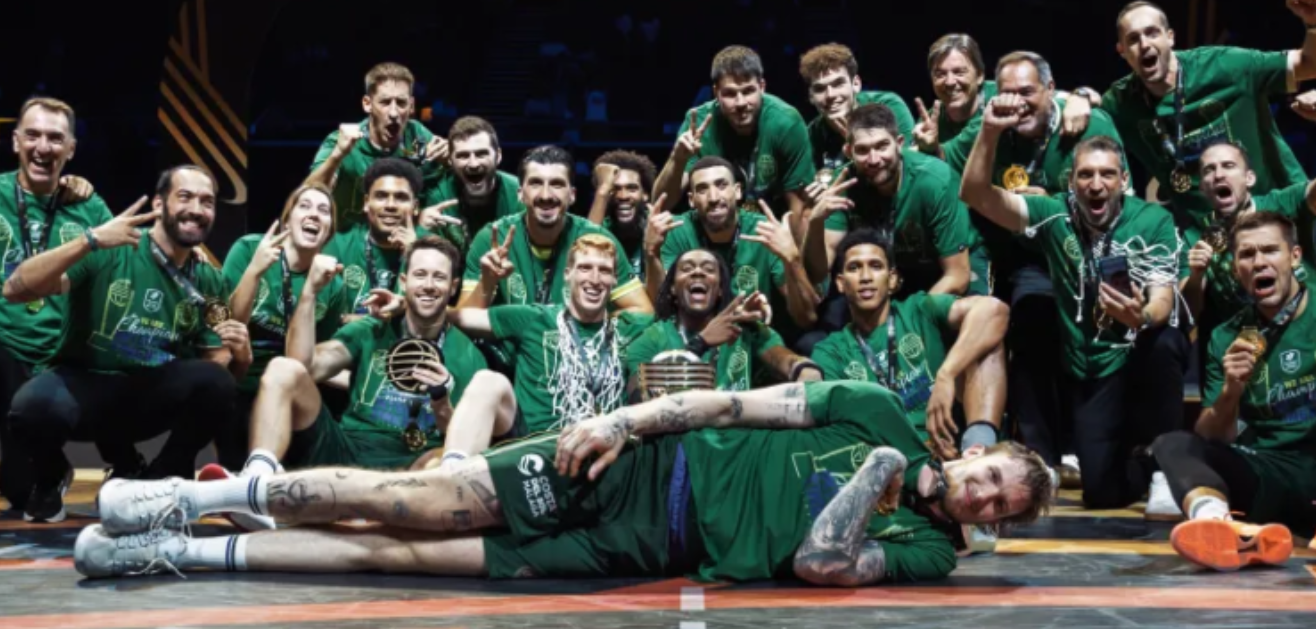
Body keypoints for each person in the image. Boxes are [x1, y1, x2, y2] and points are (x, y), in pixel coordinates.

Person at [74, 380, 1055, 586]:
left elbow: (819, 561)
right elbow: (728, 402)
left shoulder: (927, 551)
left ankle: (176, 552)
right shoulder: (875, 410)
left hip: (645, 545)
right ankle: (185, 497)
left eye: (997, 505)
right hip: (644, 466)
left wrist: (880, 480)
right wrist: (622, 420)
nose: (981, 495)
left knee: (401, 555)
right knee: (412, 497)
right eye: (990, 475)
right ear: (982, 450)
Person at [961, 99, 1191, 511]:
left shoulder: (1152, 220)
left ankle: (1164, 471)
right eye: (1085, 174)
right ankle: (1139, 462)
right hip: (1093, 368)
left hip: (1138, 355)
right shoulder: (1053, 215)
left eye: (1107, 174)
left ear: (1124, 180)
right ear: (1071, 182)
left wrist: (1140, 316)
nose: (1095, 184)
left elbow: (1162, 298)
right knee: (1101, 495)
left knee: (1165, 341)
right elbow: (976, 194)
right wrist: (990, 132)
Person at [2, 165, 245, 523]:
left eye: (207, 201)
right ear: (159, 204)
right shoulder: (111, 248)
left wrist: (242, 357)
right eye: (185, 197)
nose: (196, 209)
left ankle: (156, 480)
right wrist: (89, 240)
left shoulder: (210, 279)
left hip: (146, 396)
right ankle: (51, 476)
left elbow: (217, 364)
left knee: (217, 383)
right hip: (85, 388)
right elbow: (14, 288)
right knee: (31, 408)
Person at [215, 237, 497, 528]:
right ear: (404, 281)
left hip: (410, 467)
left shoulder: (468, 355)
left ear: (453, 286)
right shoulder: (371, 330)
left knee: (443, 464)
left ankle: (378, 518)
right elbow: (303, 366)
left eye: (439, 277)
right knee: (282, 368)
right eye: (420, 274)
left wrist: (441, 402)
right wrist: (310, 292)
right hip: (346, 450)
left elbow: (463, 444)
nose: (428, 285)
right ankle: (255, 485)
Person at [1154, 211, 1315, 571]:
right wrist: (1231, 390)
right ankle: (1220, 527)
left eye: (1270, 250)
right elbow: (1213, 436)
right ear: (1235, 269)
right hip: (1270, 469)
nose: (1258, 262)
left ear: (1294, 257)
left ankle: (1279, 533)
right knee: (1172, 444)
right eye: (1247, 254)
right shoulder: (1226, 336)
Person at [1087, 1, 1316, 241]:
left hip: (1284, 216)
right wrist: (1080, 96)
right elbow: (1083, 116)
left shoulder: (1225, 66)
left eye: (1152, 33)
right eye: (1133, 39)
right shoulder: (1121, 103)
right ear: (1122, 50)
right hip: (1213, 241)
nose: (1144, 45)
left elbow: (1308, 64)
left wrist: (1313, 22)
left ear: (1170, 37)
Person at [811, 228, 1008, 461]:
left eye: (876, 266)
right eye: (854, 268)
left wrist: (946, 374)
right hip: (885, 458)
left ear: (892, 279)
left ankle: (978, 453)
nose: (865, 277)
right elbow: (840, 425)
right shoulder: (830, 351)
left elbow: (993, 310)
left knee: (986, 340)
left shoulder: (918, 309)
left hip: (948, 442)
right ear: (841, 283)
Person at [0, 97, 109, 510]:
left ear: (71, 149)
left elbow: (118, 273)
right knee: (19, 490)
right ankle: (46, 470)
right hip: (6, 350)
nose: (42, 147)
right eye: (32, 135)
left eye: (55, 138)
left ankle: (121, 463)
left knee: (21, 491)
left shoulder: (89, 207)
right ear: (15, 141)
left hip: (64, 360)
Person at [450, 234, 653, 434]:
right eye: (584, 268)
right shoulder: (534, 318)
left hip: (607, 444)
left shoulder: (630, 327)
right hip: (539, 447)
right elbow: (457, 317)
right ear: (567, 274)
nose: (595, 279)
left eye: (605, 270)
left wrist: (652, 254)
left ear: (615, 279)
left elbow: (668, 316)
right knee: (487, 382)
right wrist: (487, 282)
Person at [217, 184, 350, 470]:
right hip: (239, 382)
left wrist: (311, 289)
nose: (314, 214)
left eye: (323, 210)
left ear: (328, 232)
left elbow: (310, 361)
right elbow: (228, 326)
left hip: (287, 392)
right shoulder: (250, 248)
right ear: (287, 220)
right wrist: (255, 271)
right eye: (305, 206)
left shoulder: (333, 285)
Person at [803, 104, 987, 299]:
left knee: (973, 310)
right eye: (862, 150)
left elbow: (957, 276)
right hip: (889, 270)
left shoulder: (936, 180)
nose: (874, 159)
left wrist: (906, 316)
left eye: (882, 146)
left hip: (950, 264)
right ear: (848, 152)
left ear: (899, 143)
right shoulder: (842, 185)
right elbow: (818, 273)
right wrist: (815, 221)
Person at [458, 145, 651, 314]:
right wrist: (487, 283)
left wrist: (594, 324)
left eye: (557, 184)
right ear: (520, 194)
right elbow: (462, 321)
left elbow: (643, 311)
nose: (546, 195)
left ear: (572, 195)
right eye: (536, 183)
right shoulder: (492, 239)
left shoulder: (598, 239)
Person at [646, 157, 819, 340]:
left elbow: (807, 318)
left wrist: (792, 259)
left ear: (737, 191)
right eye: (702, 189)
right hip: (696, 336)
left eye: (721, 185)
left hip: (753, 338)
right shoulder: (676, 230)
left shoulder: (765, 231)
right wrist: (651, 252)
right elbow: (662, 306)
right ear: (691, 200)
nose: (713, 198)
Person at [652, 45, 815, 223]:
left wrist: (788, 242)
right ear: (716, 92)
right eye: (730, 93)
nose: (740, 103)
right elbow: (660, 205)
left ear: (762, 87)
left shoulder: (786, 122)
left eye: (748, 91)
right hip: (713, 227)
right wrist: (677, 159)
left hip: (771, 227)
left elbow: (799, 209)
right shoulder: (698, 124)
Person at [626, 248, 820, 392]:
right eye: (687, 268)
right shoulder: (650, 340)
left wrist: (804, 369)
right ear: (672, 289)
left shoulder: (744, 330)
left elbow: (785, 360)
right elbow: (638, 396)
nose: (698, 272)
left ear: (720, 290)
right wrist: (700, 344)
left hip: (736, 434)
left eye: (709, 269)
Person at [1183, 140, 1316, 327]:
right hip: (1248, 335)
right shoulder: (1195, 236)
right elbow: (1187, 313)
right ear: (1203, 188)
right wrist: (1196, 276)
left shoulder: (1280, 203)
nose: (1218, 175)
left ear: (1249, 178)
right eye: (1209, 170)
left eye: (1228, 166)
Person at [306, 62, 446, 233]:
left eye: (401, 103)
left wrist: (449, 160)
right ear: (367, 104)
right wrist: (337, 155)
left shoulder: (418, 136)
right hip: (345, 240)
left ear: (411, 105)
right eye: (385, 102)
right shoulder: (340, 141)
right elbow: (308, 195)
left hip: (397, 239)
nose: (394, 113)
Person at [323, 158, 427, 315]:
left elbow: (432, 314)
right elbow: (321, 313)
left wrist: (413, 255)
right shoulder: (339, 244)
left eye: (401, 197)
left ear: (415, 207)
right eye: (381, 196)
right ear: (366, 202)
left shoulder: (431, 249)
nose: (390, 205)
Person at [798, 43, 915, 180]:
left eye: (838, 84)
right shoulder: (810, 137)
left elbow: (908, 164)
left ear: (856, 84)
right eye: (819, 89)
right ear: (811, 96)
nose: (830, 95)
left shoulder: (888, 106)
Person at [417, 116, 522, 253]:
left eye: (481, 154)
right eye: (463, 156)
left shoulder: (520, 194)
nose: (473, 164)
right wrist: (421, 230)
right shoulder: (438, 198)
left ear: (498, 156)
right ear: (450, 160)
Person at [586, 150, 659, 283]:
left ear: (645, 194)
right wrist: (602, 190)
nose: (623, 196)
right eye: (615, 189)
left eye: (632, 188)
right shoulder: (599, 228)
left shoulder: (660, 229)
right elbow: (585, 252)